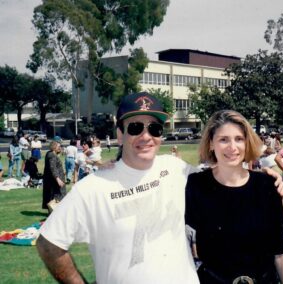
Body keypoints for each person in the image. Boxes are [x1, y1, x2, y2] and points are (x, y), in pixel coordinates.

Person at [37, 92, 201, 283]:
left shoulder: (176, 168)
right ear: (120, 135)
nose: (146, 136)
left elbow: (222, 182)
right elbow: (48, 244)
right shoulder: (92, 188)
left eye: (154, 128)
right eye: (135, 128)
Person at [186, 110, 283, 284]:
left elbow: (281, 252)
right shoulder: (195, 185)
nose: (232, 147)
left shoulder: (268, 186)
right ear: (211, 144)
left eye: (239, 139)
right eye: (223, 139)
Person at [42, 141, 66, 213]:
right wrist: (58, 179)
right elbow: (53, 168)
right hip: (55, 180)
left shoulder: (50, 154)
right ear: (54, 147)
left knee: (53, 196)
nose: (60, 148)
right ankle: (56, 213)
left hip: (52, 180)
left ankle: (54, 213)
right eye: (59, 147)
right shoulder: (52, 156)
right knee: (57, 196)